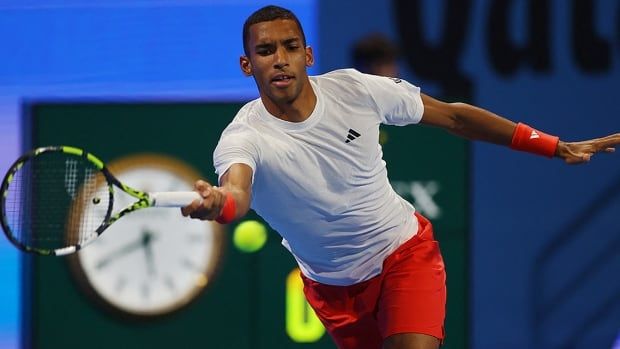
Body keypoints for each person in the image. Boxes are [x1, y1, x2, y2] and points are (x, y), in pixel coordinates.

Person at [181, 5, 620, 349]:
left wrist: (554, 144)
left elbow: (455, 118)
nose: (280, 60)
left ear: (308, 54)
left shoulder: (358, 90)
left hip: (403, 254)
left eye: (291, 47)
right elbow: (236, 191)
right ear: (246, 65)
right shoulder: (243, 137)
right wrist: (221, 206)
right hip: (332, 290)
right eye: (265, 51)